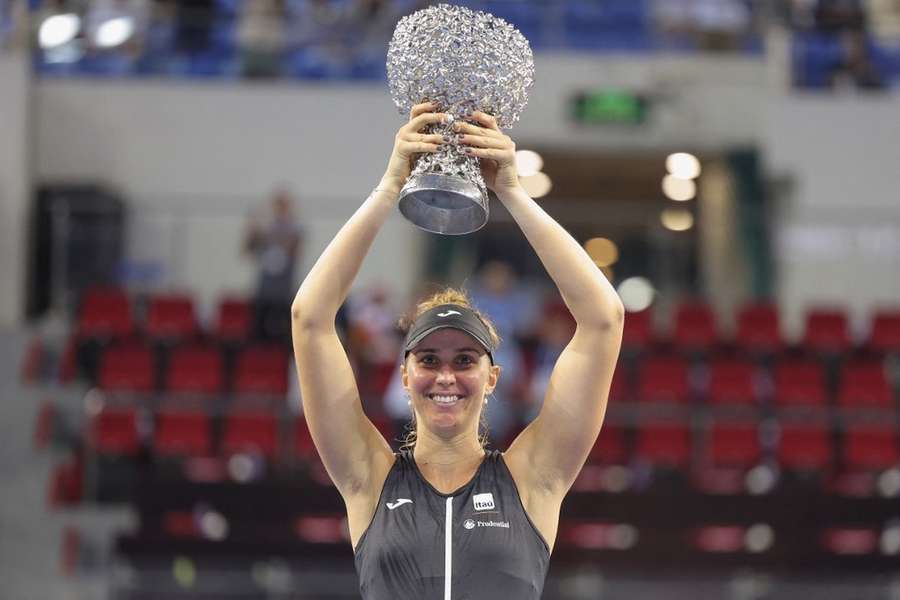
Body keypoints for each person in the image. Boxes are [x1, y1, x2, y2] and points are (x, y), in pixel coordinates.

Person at [291, 102, 624, 599]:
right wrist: (388, 188)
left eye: (465, 360)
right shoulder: (368, 478)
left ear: (492, 377)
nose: (445, 375)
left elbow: (603, 320)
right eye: (428, 360)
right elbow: (310, 318)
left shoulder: (533, 478)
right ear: (404, 375)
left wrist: (511, 191)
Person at [245, 187, 302, 342]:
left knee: (286, 331)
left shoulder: (294, 227)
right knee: (259, 330)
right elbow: (248, 249)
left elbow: (294, 248)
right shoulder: (265, 227)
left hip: (284, 289)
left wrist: (271, 236)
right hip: (265, 289)